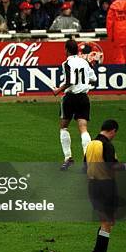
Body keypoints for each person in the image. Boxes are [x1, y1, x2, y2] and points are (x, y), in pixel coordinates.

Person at [85, 120, 126, 252]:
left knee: (107, 221)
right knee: (107, 222)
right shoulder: (106, 145)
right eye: (114, 133)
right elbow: (111, 165)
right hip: (105, 186)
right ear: (112, 131)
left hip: (92, 185)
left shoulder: (91, 144)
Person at [53, 40, 96, 171]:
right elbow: (93, 78)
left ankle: (68, 158)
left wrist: (57, 90)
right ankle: (88, 159)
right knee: (83, 128)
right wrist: (82, 84)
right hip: (83, 97)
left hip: (70, 98)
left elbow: (69, 81)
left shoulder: (66, 63)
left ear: (66, 50)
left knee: (64, 127)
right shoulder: (85, 62)